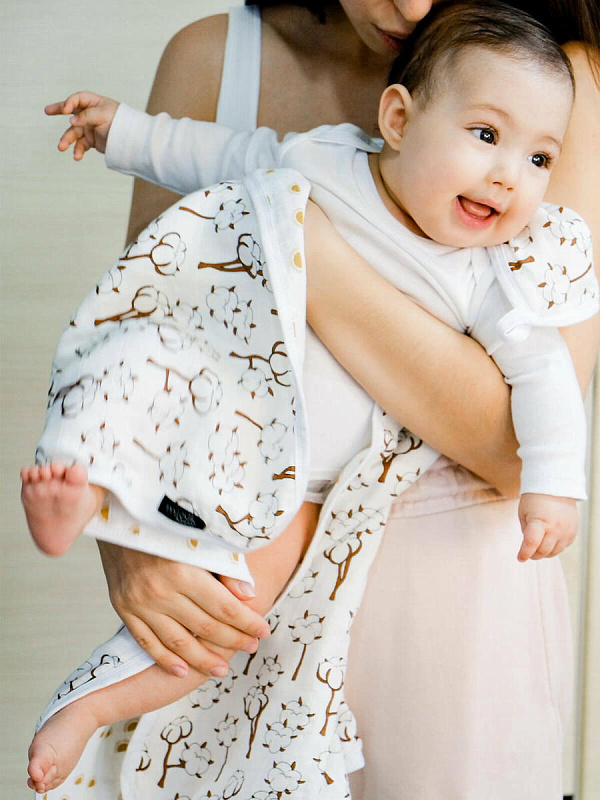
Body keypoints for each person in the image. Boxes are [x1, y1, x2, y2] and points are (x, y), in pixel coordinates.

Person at [28, 2, 600, 800]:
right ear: (398, 118)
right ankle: (85, 546)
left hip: (388, 561)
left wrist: (557, 487)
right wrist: (118, 130)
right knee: (132, 375)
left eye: (537, 159)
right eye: (483, 136)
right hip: (248, 468)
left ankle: (88, 700)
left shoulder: (493, 240)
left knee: (233, 617)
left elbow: (537, 394)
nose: (510, 175)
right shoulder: (313, 149)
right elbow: (183, 232)